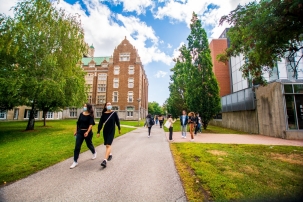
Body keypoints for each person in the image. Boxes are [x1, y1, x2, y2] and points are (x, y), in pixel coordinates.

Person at [70, 103, 96, 169]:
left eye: (85, 106)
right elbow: (78, 123)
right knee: (77, 146)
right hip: (80, 132)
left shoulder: (90, 115)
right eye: (84, 106)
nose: (84, 107)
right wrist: (76, 131)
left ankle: (94, 152)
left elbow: (90, 125)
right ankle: (75, 161)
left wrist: (87, 132)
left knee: (89, 144)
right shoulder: (81, 114)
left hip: (87, 132)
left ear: (88, 107)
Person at [97, 102, 121, 168]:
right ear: (105, 106)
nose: (109, 105)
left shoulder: (114, 113)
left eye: (110, 104)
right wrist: (98, 131)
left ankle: (105, 161)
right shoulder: (103, 114)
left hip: (111, 130)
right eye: (108, 105)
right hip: (105, 131)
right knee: (107, 144)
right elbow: (100, 123)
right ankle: (110, 154)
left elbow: (117, 121)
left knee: (108, 144)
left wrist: (119, 128)